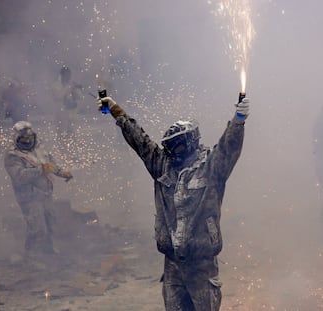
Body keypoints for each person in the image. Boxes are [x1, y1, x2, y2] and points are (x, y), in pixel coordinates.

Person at [96, 94, 250, 310]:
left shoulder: (211, 167)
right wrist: (115, 110)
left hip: (201, 266)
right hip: (173, 265)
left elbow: (228, 147)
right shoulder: (163, 165)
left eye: (175, 147)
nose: (170, 153)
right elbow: (139, 141)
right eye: (168, 147)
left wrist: (239, 119)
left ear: (189, 143)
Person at [4, 121, 73, 257]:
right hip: (28, 196)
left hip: (45, 192)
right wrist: (40, 169)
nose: (27, 141)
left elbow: (50, 163)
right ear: (17, 139)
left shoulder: (39, 147)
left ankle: (49, 251)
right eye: (24, 139)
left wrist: (61, 172)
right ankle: (32, 256)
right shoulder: (12, 155)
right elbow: (19, 176)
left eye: (30, 138)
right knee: (37, 227)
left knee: (51, 222)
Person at [51, 66, 83, 138]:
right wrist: (68, 87)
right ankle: (61, 147)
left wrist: (76, 89)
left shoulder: (72, 84)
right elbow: (58, 96)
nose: (67, 77)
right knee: (61, 133)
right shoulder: (56, 85)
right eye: (66, 75)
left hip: (71, 112)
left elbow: (79, 97)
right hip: (60, 112)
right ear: (62, 75)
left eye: (69, 75)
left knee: (72, 133)